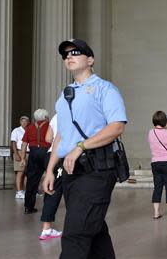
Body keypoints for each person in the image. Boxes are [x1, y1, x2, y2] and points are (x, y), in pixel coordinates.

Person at [43, 39, 127, 258]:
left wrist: (81, 146)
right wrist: (51, 169)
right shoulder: (65, 95)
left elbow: (117, 126)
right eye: (65, 55)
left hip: (97, 170)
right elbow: (61, 135)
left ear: (90, 60)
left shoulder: (105, 89)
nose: (69, 57)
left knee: (75, 233)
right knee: (94, 228)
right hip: (71, 172)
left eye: (75, 53)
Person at [20, 109, 51, 214]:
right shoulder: (50, 126)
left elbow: (24, 144)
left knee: (31, 181)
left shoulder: (29, 128)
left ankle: (28, 207)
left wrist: (23, 158)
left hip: (33, 154)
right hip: (46, 153)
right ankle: (48, 206)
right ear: (45, 117)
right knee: (50, 178)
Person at [38, 114, 63, 240]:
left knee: (51, 190)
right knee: (56, 191)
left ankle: (46, 228)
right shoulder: (75, 109)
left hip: (50, 155)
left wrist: (55, 140)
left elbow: (48, 138)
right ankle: (47, 229)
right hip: (62, 155)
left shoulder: (55, 116)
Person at [10, 115, 30, 199]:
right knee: (20, 172)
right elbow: (13, 142)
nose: (24, 122)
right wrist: (16, 154)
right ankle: (18, 192)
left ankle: (25, 190)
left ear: (28, 122)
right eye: (22, 121)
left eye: (26, 121)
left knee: (26, 173)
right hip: (19, 152)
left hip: (28, 152)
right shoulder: (16, 130)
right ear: (20, 122)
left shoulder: (28, 130)